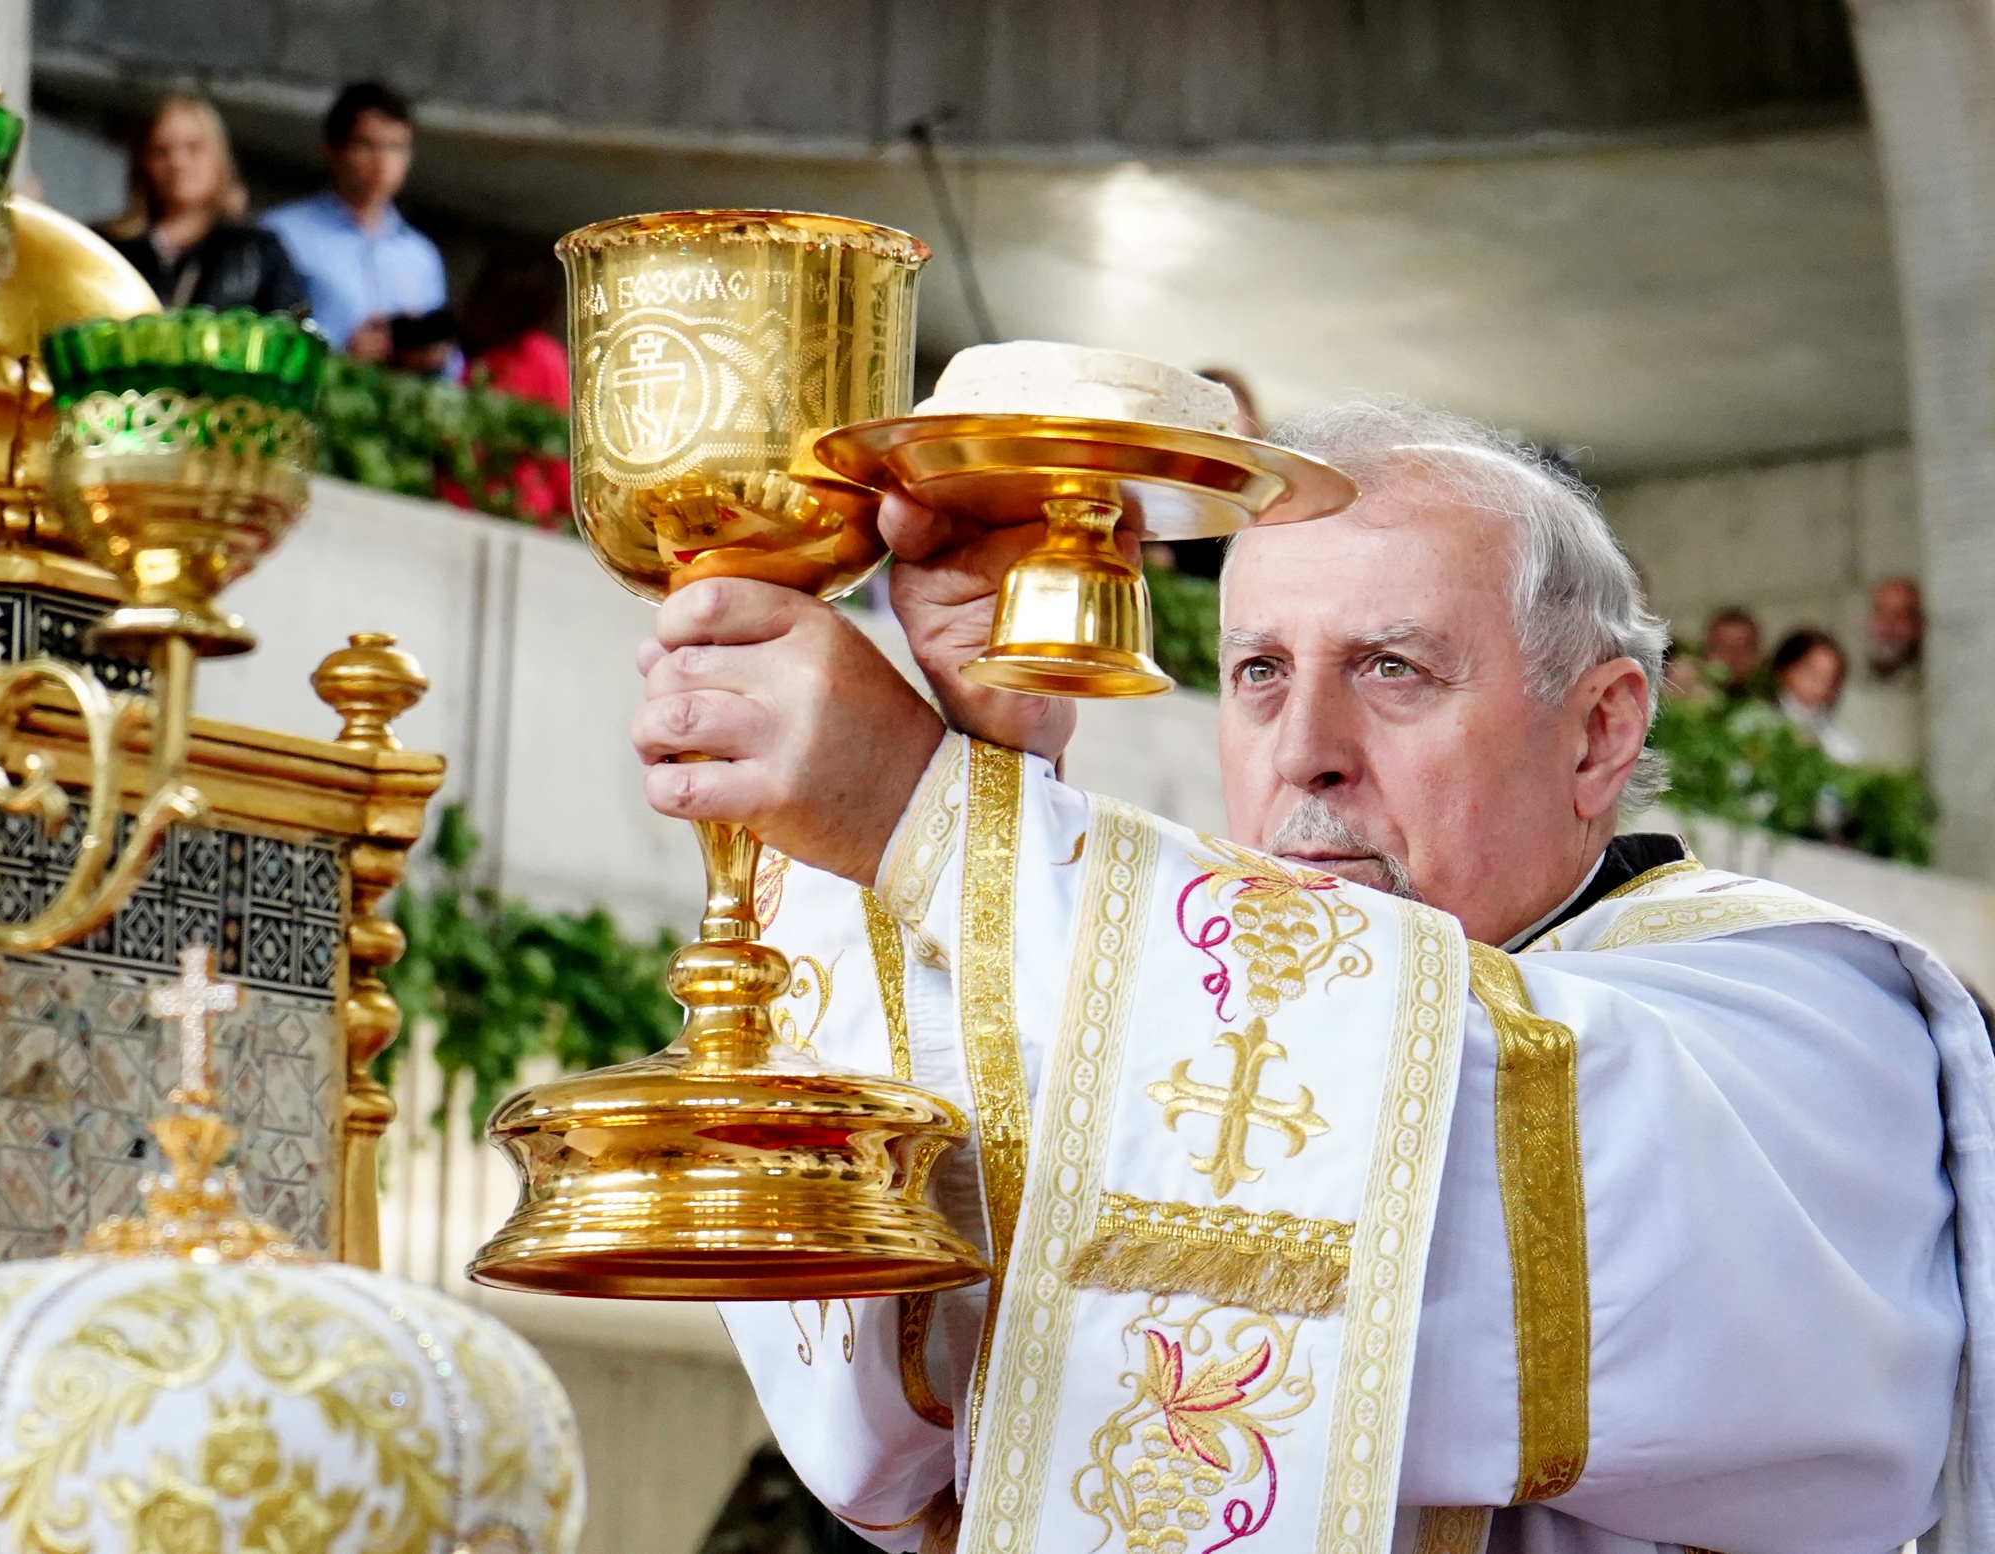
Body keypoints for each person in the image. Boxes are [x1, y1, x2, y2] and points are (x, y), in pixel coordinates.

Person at [630, 396, 1990, 1553]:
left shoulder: (1820, 1025)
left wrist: (941, 825)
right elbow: (899, 1424)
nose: (1305, 752)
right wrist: (987, 788)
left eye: (1393, 669)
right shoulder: (1170, 1028)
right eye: (1259, 672)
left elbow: (1446, 1172)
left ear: (1597, 733)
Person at [262, 82, 447, 361]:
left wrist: (430, 356)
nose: (382, 162)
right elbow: (260, 335)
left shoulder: (421, 255)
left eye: (396, 147)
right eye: (367, 145)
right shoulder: (282, 233)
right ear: (333, 151)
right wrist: (340, 349)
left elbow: (451, 365)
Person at [97, 95, 306, 314]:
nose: (178, 162)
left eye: (193, 148)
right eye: (160, 151)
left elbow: (289, 333)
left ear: (219, 160)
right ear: (142, 165)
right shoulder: (106, 248)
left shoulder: (258, 252)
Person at [446, 245, 570, 526]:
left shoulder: (531, 356)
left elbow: (555, 444)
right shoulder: (467, 352)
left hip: (506, 508)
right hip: (488, 507)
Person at [1839, 576, 1927, 772]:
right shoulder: (1843, 690)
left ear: (1919, 626)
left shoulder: (1930, 694)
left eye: (1901, 616)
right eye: (1881, 614)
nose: (1888, 628)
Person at [1772, 624, 1864, 763]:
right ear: (1784, 671)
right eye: (1811, 674)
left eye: (1831, 679)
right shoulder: (1753, 728)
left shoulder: (1844, 747)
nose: (1821, 687)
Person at [1700, 603, 1763, 698]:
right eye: (1723, 648)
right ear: (1705, 653)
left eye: (1741, 650)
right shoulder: (1681, 701)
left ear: (1758, 655)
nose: (1732, 658)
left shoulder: (1773, 707)